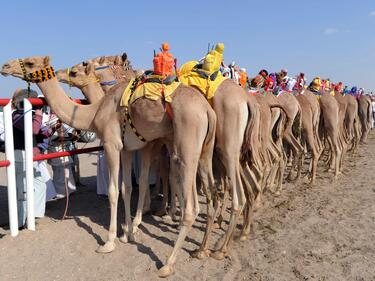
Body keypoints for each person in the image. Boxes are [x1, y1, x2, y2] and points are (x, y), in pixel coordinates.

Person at [12, 89, 52, 227]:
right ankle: (20, 222)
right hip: (20, 155)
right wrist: (39, 116)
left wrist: (49, 128)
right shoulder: (16, 116)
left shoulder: (31, 115)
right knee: (22, 191)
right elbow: (33, 130)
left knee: (40, 185)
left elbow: (40, 132)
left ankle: (32, 215)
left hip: (31, 155)